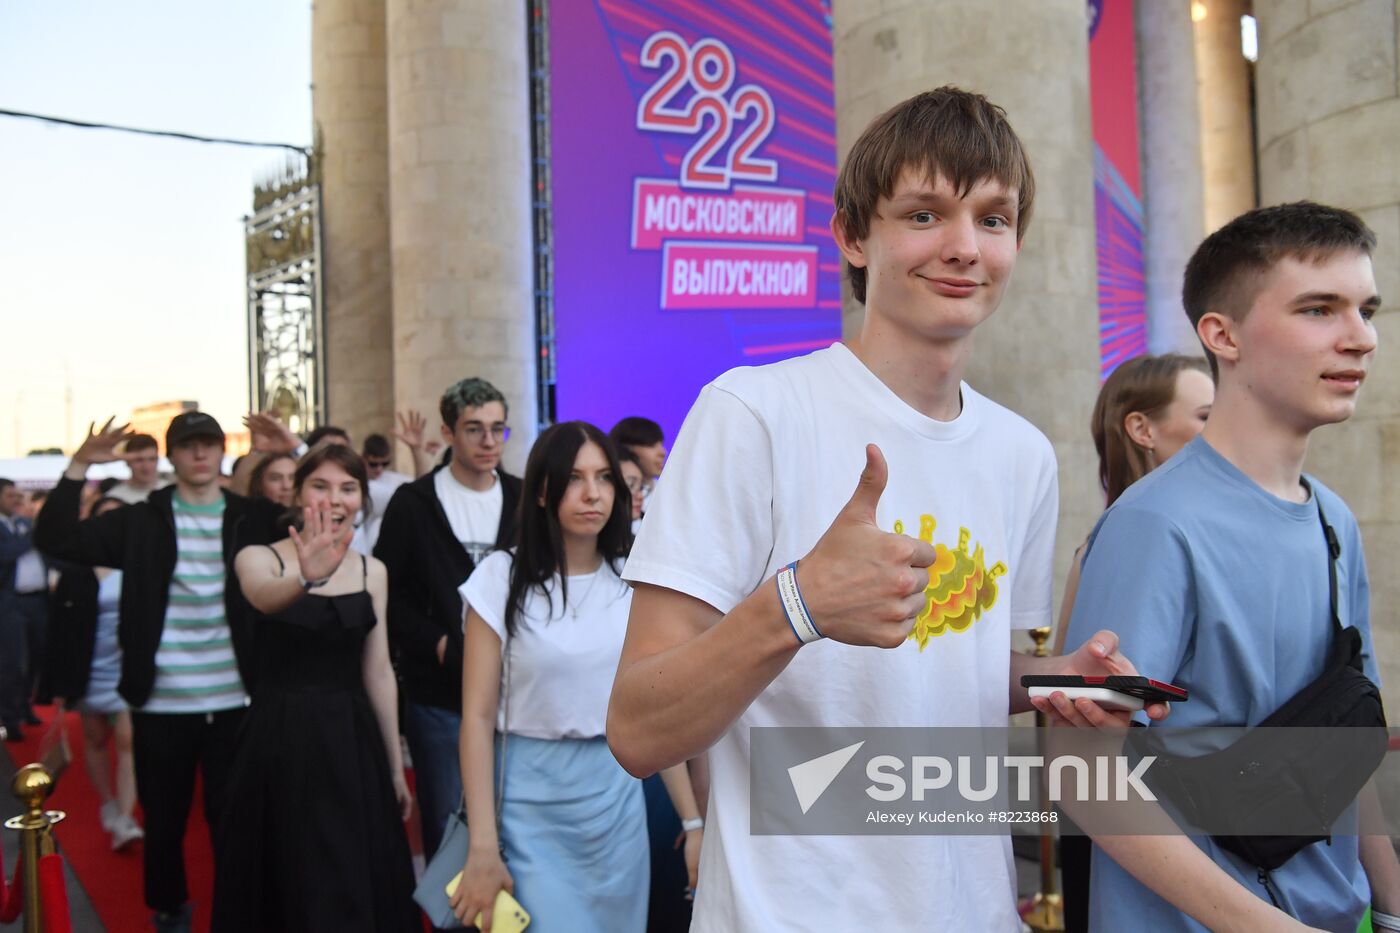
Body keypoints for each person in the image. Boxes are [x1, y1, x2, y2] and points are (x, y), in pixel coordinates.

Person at [608, 87, 1161, 932]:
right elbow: (638, 728)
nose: (964, 247)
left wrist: (1059, 681)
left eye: (994, 218)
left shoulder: (1022, 456)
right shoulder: (753, 412)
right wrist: (798, 605)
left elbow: (953, 673)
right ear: (854, 234)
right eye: (925, 213)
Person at [1060, 201, 1399, 931]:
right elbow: (1082, 770)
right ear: (1223, 333)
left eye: (1366, 309)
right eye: (1319, 308)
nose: (1361, 337)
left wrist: (1391, 898)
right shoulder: (1154, 523)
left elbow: (1343, 735)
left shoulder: (1334, 518)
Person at [450, 423, 701, 932]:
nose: (594, 493)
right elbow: (475, 719)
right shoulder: (499, 579)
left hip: (615, 802)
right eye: (576, 478)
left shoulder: (634, 579)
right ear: (543, 489)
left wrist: (692, 821)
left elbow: (652, 711)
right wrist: (481, 844)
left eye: (606, 478)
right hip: (525, 803)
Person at [34, 411, 278, 933]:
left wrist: (292, 451)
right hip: (160, 702)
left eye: (208, 444)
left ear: (220, 452)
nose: (199, 454)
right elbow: (57, 540)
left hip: (236, 700)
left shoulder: (248, 516)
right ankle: (170, 910)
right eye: (188, 445)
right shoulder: (140, 519)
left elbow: (317, 515)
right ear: (174, 455)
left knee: (233, 822)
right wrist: (78, 465)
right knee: (163, 823)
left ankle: (239, 912)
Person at [213, 444, 417, 932]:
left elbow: (378, 672)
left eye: (348, 488)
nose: (335, 499)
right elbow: (262, 599)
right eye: (320, 486)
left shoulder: (373, 571)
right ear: (296, 493)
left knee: (351, 873)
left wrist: (393, 768)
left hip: (351, 740)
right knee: (284, 874)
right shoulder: (258, 557)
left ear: (362, 498)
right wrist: (306, 577)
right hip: (278, 739)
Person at [1049, 353, 1213, 931]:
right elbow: (1084, 750)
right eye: (1207, 416)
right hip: (1141, 844)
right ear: (1142, 429)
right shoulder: (1129, 535)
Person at [375, 377, 522, 876]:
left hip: (517, 697)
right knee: (450, 831)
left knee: (517, 825)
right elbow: (387, 596)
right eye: (474, 429)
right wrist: (437, 644)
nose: (488, 441)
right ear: (449, 433)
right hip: (440, 698)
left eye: (498, 429)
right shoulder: (414, 504)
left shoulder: (526, 499)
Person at [43, 495, 144, 850]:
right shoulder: (76, 571)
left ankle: (126, 817)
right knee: (95, 737)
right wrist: (56, 682)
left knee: (128, 739)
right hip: (88, 665)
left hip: (128, 663)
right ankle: (108, 803)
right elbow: (60, 628)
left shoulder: (141, 564)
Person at [1, 477, 48, 741]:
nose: (18, 501)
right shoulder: (25, 530)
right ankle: (9, 716)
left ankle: (25, 706)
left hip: (37, 601)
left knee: (34, 658)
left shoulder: (23, 524)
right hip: (10, 603)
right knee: (12, 662)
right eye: (11, 496)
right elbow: (5, 553)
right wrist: (33, 536)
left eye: (20, 496)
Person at [609, 417, 666, 512]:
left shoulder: (668, 493)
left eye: (661, 444)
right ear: (625, 448)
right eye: (651, 445)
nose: (663, 452)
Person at [107, 434, 167, 504]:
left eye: (152, 459)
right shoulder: (114, 498)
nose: (146, 466)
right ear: (127, 462)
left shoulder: (173, 493)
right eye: (139, 460)